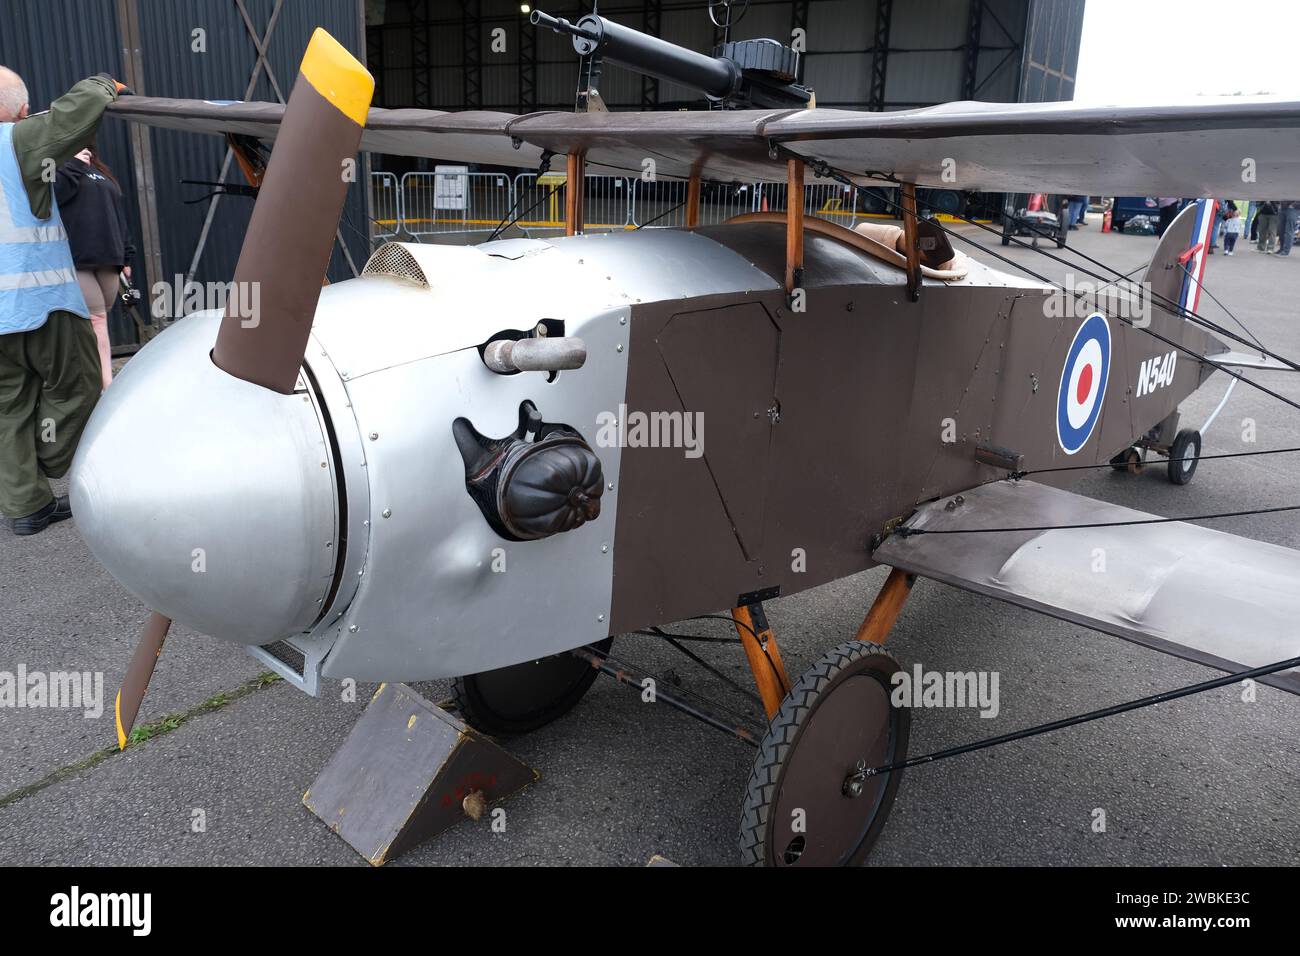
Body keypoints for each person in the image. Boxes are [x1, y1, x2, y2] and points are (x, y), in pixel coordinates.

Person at [0, 67, 126, 536]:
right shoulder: (16, 139)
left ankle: (26, 506)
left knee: (7, 409)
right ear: (21, 111)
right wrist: (102, 84)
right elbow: (72, 117)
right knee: (77, 387)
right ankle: (47, 456)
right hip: (39, 303)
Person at [55, 146, 134, 388]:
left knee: (99, 318)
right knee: (95, 319)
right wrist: (74, 165)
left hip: (108, 256)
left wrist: (127, 255)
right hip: (76, 257)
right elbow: (54, 195)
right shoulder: (58, 165)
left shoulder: (101, 169)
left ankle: (96, 379)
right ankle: (105, 384)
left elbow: (116, 212)